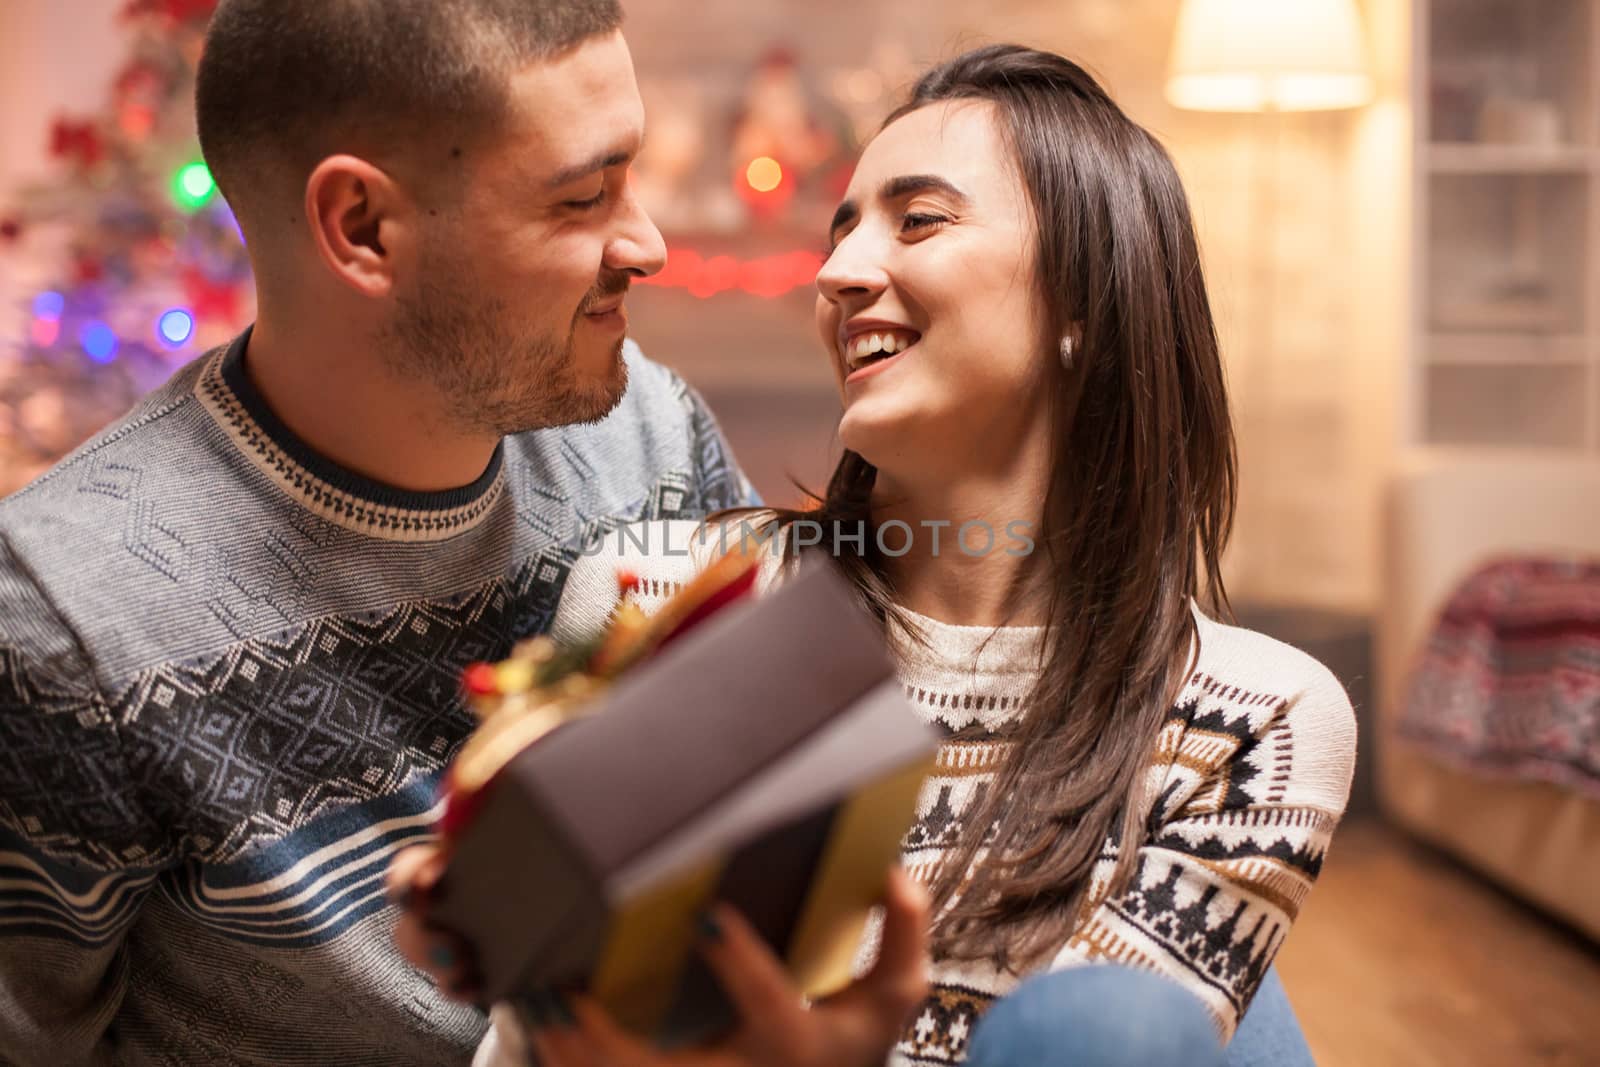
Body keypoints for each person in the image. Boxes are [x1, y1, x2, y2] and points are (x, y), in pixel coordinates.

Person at [394, 44, 1356, 1067]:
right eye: (841, 226)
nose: (839, 272)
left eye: (921, 219)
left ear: (1083, 300)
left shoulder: (1256, 720)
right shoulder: (663, 596)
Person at [0, 2, 767, 1064]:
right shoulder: (61, 618)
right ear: (361, 227)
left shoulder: (655, 438)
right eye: (584, 196)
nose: (647, 243)